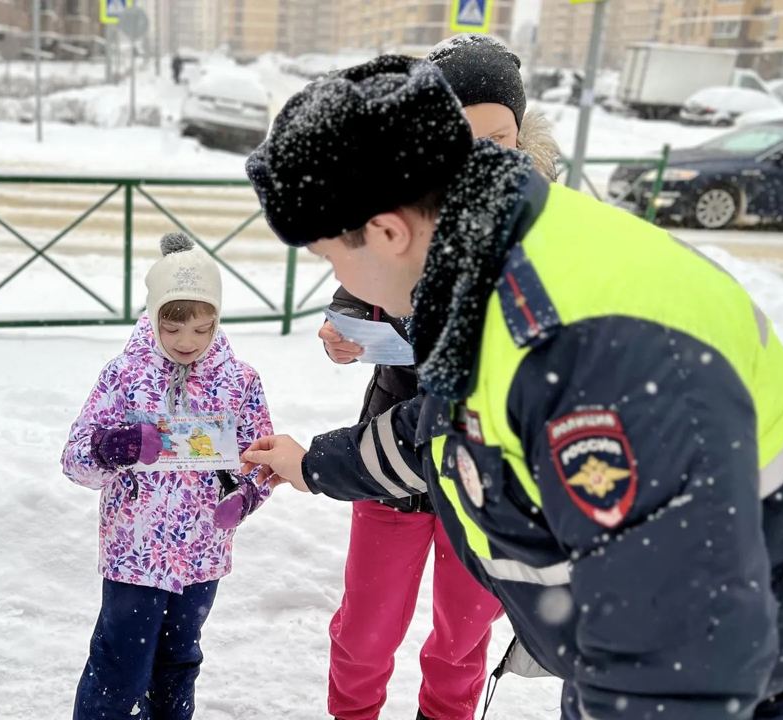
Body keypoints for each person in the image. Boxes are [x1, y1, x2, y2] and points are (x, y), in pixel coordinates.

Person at [242, 55, 783, 720]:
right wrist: (311, 464)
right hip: (666, 652)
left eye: (331, 259)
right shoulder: (498, 249)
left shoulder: (583, 355)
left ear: (389, 233)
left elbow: (675, 668)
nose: (339, 281)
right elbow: (451, 426)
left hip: (777, 682)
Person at [315, 35, 560, 720]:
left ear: (518, 138)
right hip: (388, 465)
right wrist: (346, 326)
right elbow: (357, 286)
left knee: (462, 636)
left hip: (488, 478)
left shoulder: (542, 232)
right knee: (366, 632)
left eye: (499, 135)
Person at [61, 233, 273, 720]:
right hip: (133, 553)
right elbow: (74, 459)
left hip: (202, 554)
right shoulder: (123, 376)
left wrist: (245, 498)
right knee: (120, 664)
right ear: (153, 316)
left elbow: (259, 458)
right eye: (173, 328)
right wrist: (113, 447)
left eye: (202, 329)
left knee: (179, 661)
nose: (186, 343)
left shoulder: (239, 381)